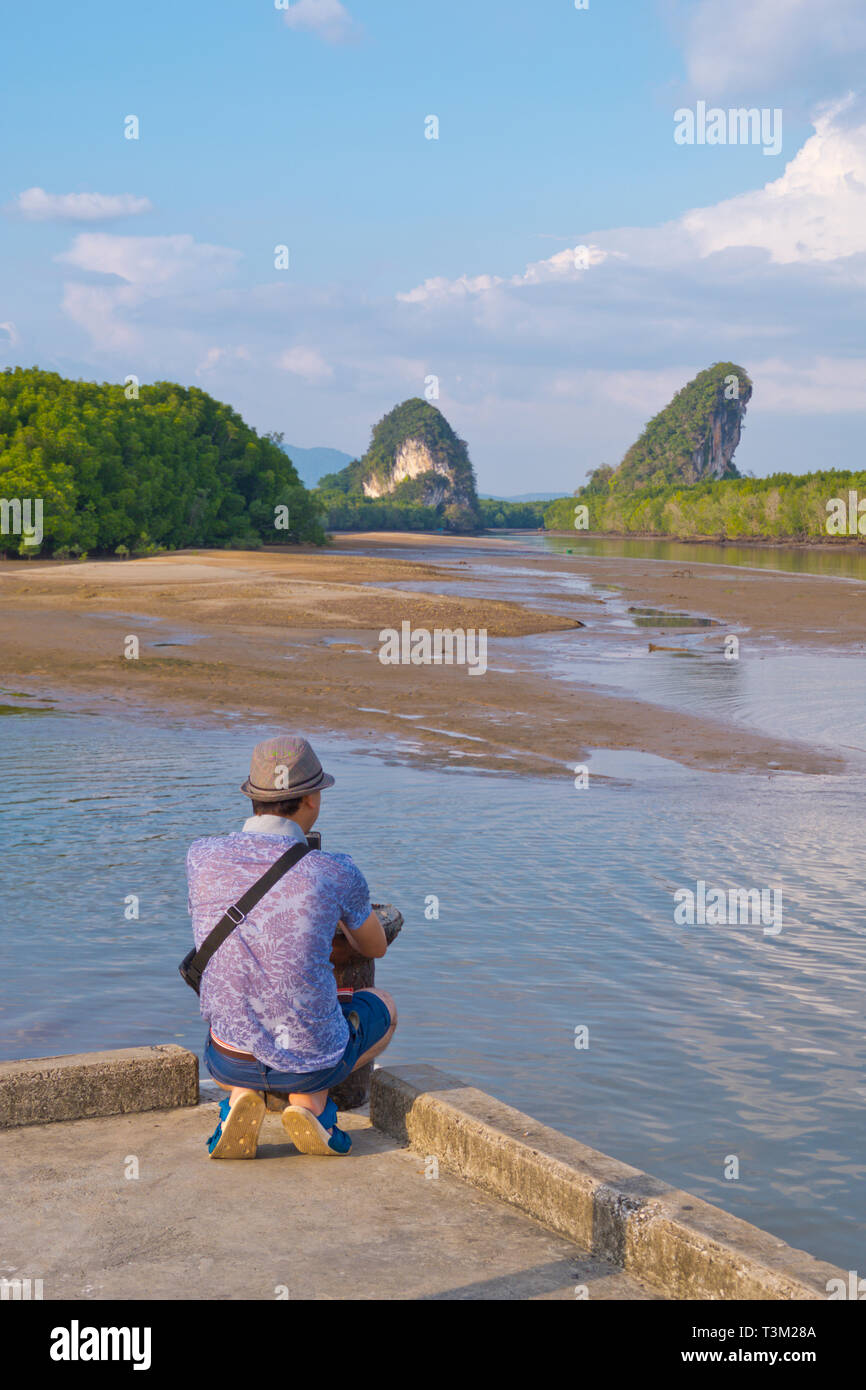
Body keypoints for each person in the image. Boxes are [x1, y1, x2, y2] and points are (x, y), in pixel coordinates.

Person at [186, 734, 396, 1158]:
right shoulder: (333, 869)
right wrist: (331, 912)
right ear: (313, 799)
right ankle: (312, 1104)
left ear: (251, 797)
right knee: (384, 1006)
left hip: (226, 1057)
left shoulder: (200, 856)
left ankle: (241, 1095)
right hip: (310, 1057)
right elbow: (374, 947)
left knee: (239, 1007)